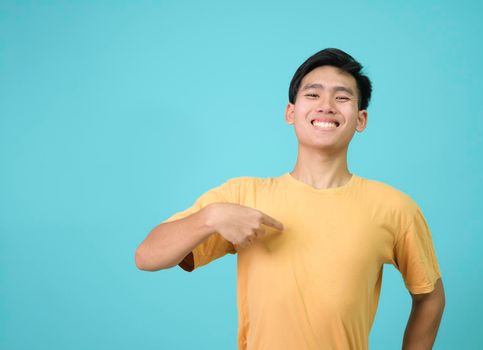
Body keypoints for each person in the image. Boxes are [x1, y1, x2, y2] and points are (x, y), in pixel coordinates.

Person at [135, 48, 446, 350]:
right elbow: (147, 257)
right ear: (290, 112)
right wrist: (211, 217)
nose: (326, 105)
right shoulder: (244, 195)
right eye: (313, 95)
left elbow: (430, 296)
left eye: (342, 97)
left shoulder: (395, 208)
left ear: (360, 119)